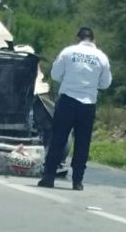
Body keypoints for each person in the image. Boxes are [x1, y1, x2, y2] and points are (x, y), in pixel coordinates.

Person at [38, 27, 112, 190]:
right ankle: (77, 181)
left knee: (58, 139)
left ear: (78, 38)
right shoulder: (101, 57)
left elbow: (56, 75)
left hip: (67, 101)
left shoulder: (68, 52)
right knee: (82, 143)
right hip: (88, 104)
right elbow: (105, 84)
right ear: (93, 39)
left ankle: (49, 177)